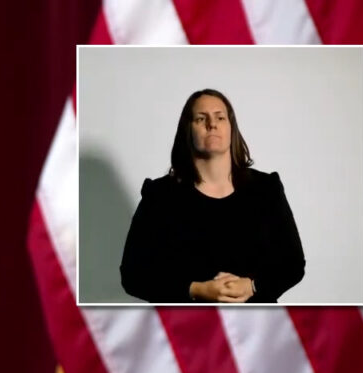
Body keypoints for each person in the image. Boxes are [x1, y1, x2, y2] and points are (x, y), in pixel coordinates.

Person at [119, 88, 305, 304]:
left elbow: (293, 264)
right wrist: (196, 289)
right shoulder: (160, 196)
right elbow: (133, 275)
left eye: (220, 117)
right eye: (201, 118)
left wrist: (253, 285)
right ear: (187, 130)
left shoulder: (266, 189)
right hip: (187, 328)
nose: (212, 124)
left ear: (231, 128)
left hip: (257, 327)